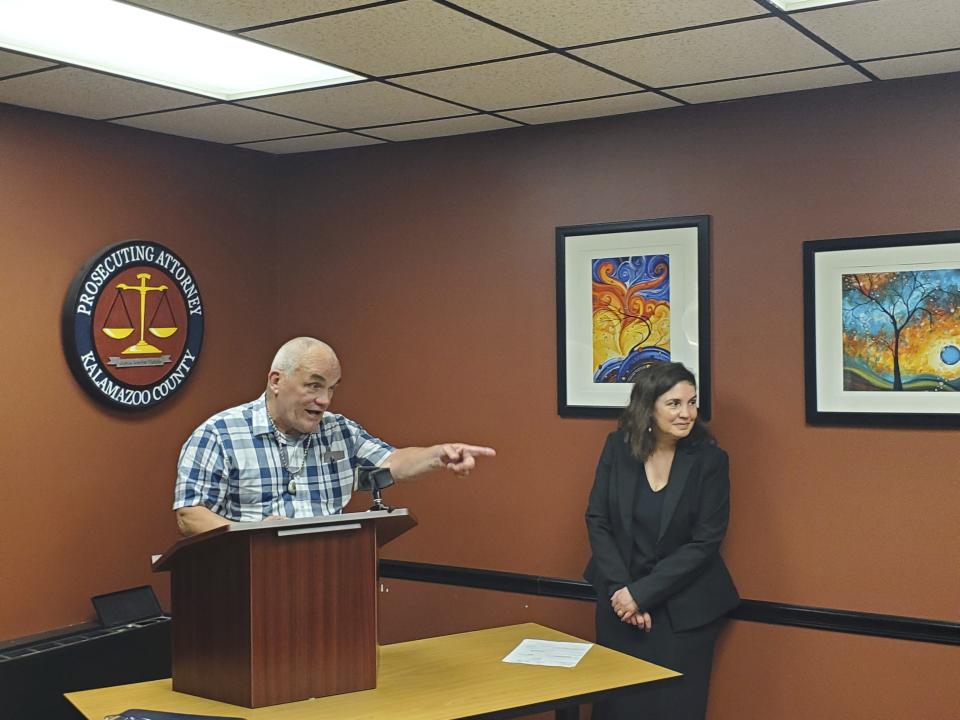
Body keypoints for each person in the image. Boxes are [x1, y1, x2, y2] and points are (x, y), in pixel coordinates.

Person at [174, 337, 495, 537]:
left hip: (329, 588)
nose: (325, 400)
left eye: (331, 388)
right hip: (244, 589)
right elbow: (190, 515)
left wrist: (438, 455)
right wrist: (255, 536)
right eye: (314, 386)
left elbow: (392, 462)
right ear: (276, 381)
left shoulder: (339, 431)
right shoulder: (219, 434)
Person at [584, 362, 738, 720]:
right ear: (648, 406)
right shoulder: (617, 447)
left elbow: (705, 541)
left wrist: (642, 594)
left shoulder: (710, 461)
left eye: (692, 402)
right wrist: (624, 593)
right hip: (618, 604)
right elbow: (598, 519)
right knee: (615, 708)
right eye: (674, 404)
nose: (687, 414)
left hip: (683, 613)